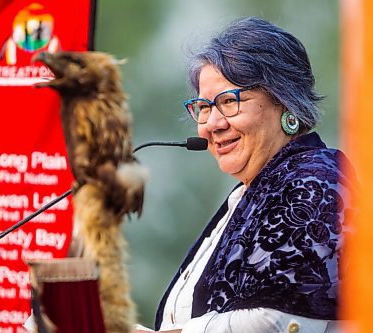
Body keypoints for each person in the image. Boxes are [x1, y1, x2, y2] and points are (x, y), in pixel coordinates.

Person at [135, 16, 355, 333]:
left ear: (285, 101)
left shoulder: (316, 178)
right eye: (204, 107)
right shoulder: (248, 195)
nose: (212, 124)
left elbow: (278, 322)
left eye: (229, 101)